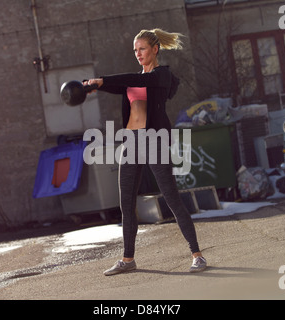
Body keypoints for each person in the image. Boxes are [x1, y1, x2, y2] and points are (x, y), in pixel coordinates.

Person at [84, 28, 207, 276]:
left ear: (155, 49)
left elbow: (138, 80)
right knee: (126, 202)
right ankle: (128, 259)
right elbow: (125, 84)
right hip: (131, 141)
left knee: (171, 197)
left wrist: (104, 80)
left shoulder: (161, 76)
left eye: (142, 49)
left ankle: (197, 255)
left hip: (154, 140)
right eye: (135, 50)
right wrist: (97, 85)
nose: (138, 54)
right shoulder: (135, 79)